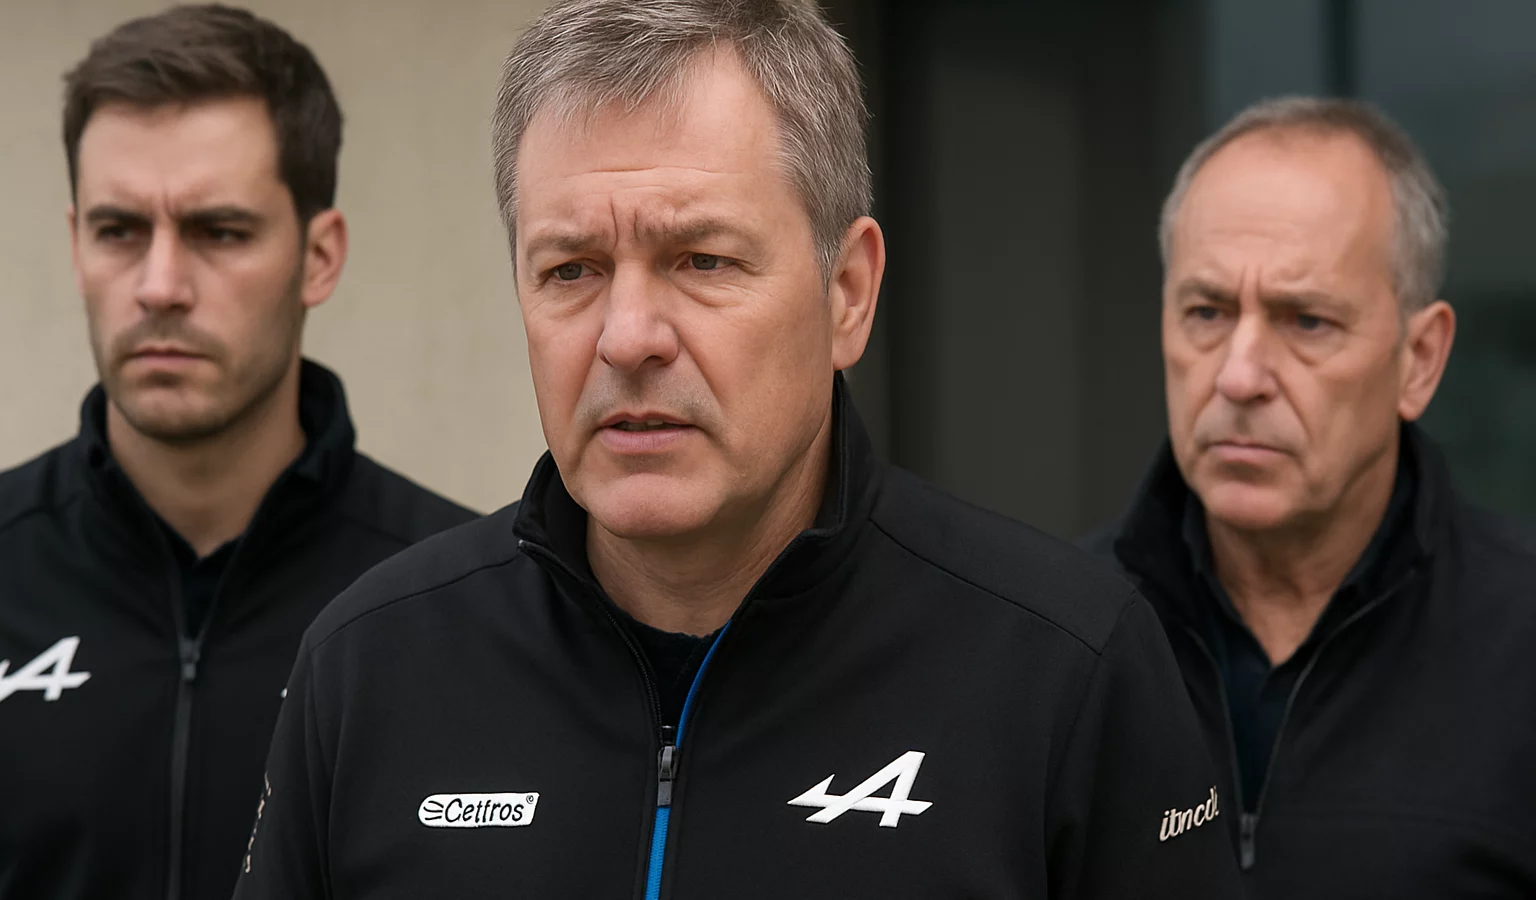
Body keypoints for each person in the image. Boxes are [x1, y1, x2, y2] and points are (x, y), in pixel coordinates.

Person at [232, 1, 1242, 898]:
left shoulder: (1062, 671)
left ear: (848, 293)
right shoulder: (371, 669)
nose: (628, 337)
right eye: (572, 269)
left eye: (702, 260)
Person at [0, 7, 477, 900]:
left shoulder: (460, 605)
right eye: (118, 230)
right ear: (75, 245)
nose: (160, 286)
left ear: (319, 257)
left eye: (219, 231)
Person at [1091, 96, 1536, 897]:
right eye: (1206, 311)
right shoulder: (1061, 636)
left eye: (1306, 321)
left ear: (1420, 359)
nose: (1239, 376)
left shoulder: (1519, 641)